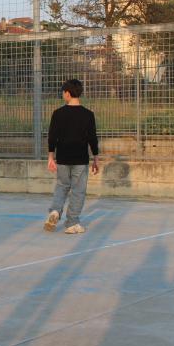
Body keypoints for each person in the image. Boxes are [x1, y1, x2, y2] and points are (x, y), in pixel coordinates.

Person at [43, 79, 99, 234]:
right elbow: (92, 138)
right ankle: (72, 223)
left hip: (63, 158)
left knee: (62, 186)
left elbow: (52, 137)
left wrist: (50, 157)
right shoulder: (88, 115)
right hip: (80, 159)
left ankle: (55, 211)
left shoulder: (58, 113)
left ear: (67, 93)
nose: (62, 95)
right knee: (78, 190)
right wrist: (95, 158)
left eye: (63, 92)